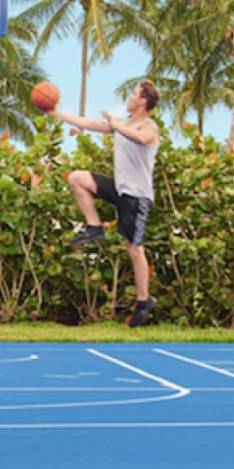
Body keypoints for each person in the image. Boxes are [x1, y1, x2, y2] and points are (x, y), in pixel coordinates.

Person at [46, 80, 161, 328]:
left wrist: (117, 125)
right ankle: (94, 227)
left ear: (143, 101)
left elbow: (141, 139)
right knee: (77, 178)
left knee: (134, 248)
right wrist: (56, 113)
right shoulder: (122, 124)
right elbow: (85, 123)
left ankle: (144, 300)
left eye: (134, 94)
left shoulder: (150, 126)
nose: (129, 97)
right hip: (119, 187)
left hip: (137, 196)